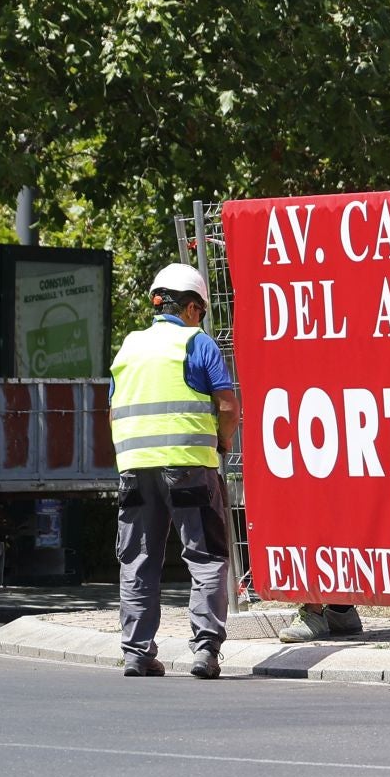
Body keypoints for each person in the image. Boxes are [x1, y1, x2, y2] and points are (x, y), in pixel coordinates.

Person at [110, 264, 239, 679]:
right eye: (200, 312)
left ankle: (136, 653)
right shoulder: (197, 343)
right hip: (189, 467)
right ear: (191, 308)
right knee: (205, 557)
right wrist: (222, 442)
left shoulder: (129, 347)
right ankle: (206, 651)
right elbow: (228, 407)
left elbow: (112, 410)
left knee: (137, 559)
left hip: (135, 469)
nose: (200, 319)